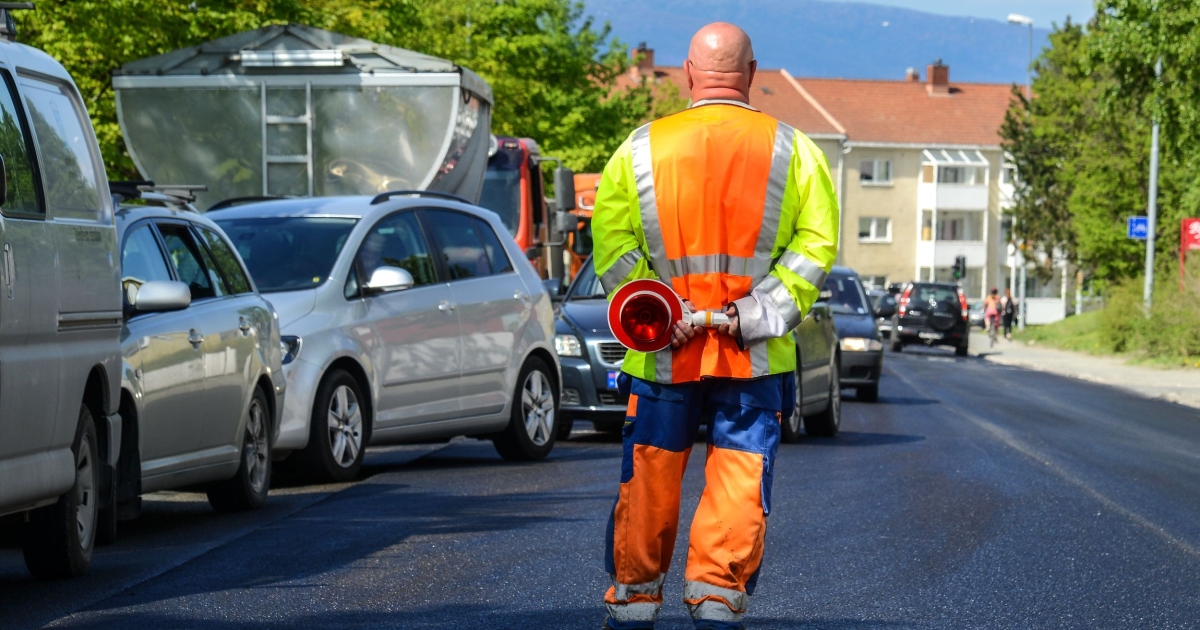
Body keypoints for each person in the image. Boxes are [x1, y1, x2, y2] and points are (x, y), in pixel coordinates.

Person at [591, 22, 839, 630]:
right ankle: (717, 598)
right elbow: (816, 246)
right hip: (751, 354)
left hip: (662, 353)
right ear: (752, 75)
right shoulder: (794, 149)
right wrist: (755, 313)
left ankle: (634, 600)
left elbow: (613, 242)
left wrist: (656, 309)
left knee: (649, 472)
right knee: (739, 472)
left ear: (688, 74)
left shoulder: (641, 148)